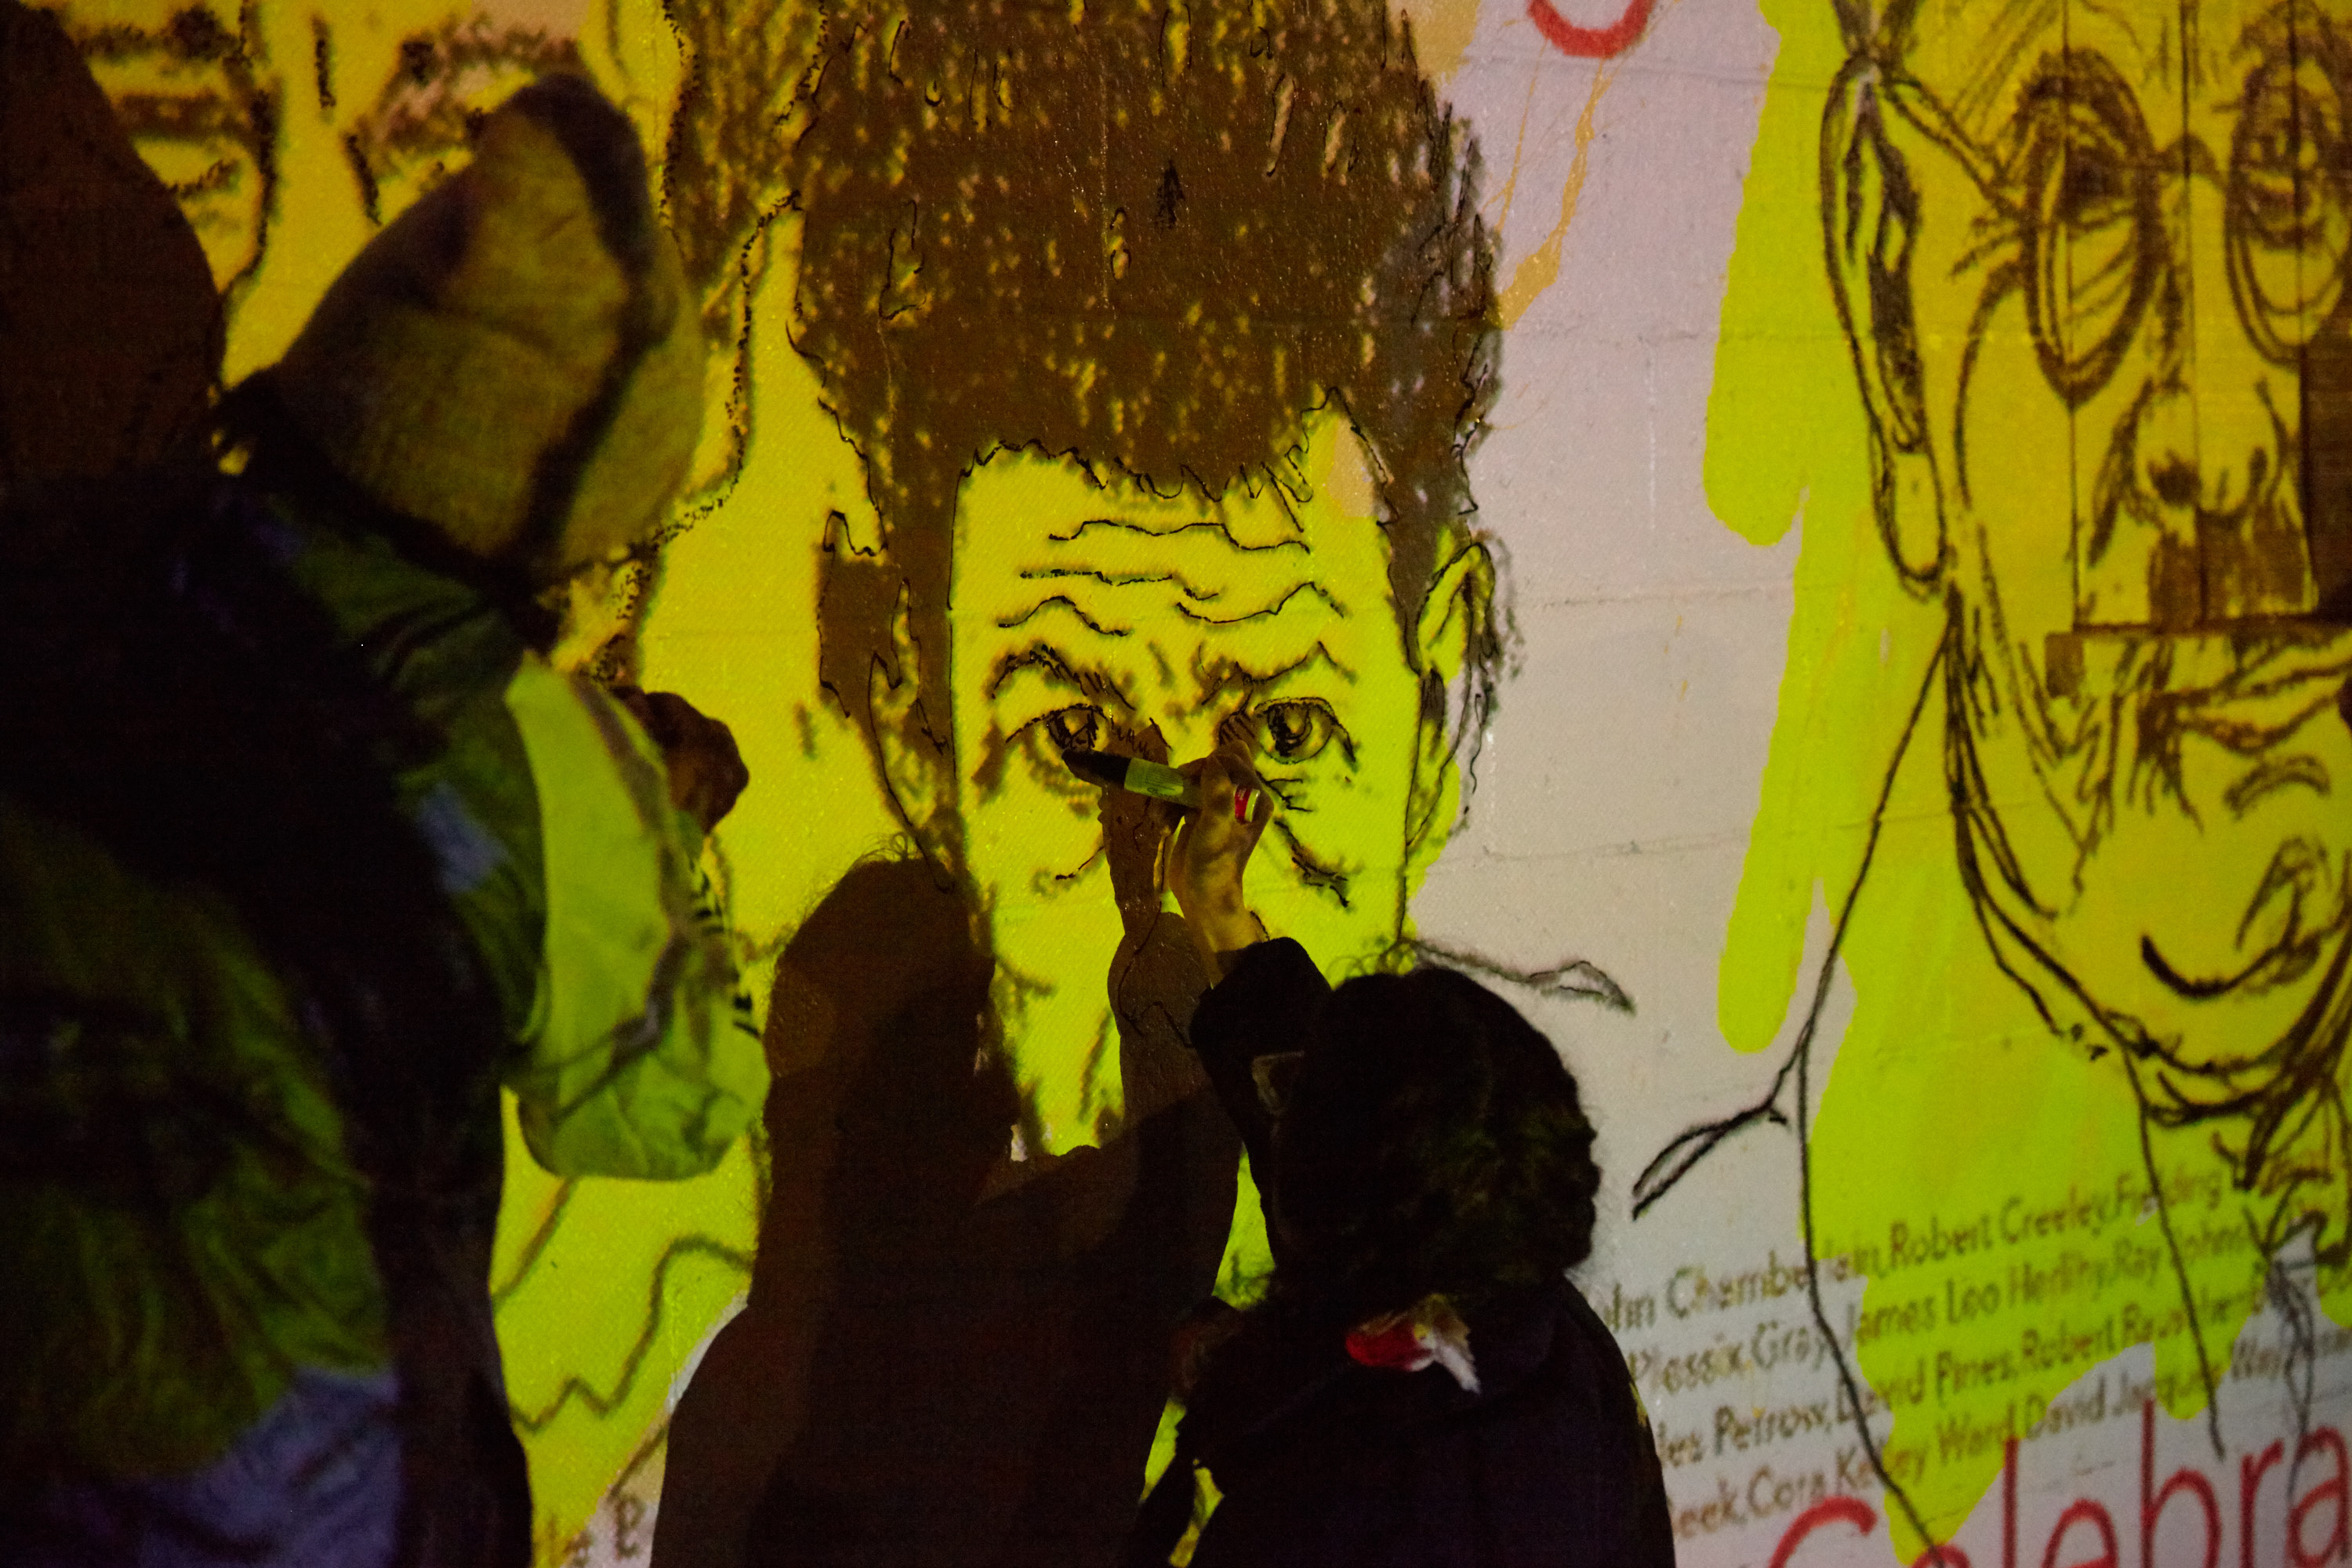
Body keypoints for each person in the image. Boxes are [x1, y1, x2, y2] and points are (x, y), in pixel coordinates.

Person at [653, 0, 1501, 1559]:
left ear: (1441, 708)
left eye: (1285, 735)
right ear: (909, 724)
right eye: (1076, 742)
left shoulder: (793, 1422)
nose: (1161, 864)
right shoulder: (1487, 1393)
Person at [0, 71, 766, 1568]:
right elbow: (664, 1113)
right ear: (577, 515)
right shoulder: (554, 765)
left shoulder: (30, 563)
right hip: (312, 1506)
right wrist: (666, 848)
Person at [1644, 0, 2352, 1546]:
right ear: (1893, 322)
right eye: (2081, 199)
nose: (2225, 433)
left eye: (2296, 173)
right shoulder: (1776, 1258)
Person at [1121, 751, 1674, 1568]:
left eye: (1295, 1099)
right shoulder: (1543, 1345)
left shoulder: (1323, 1522)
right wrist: (1219, 909)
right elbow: (1389, 1149)